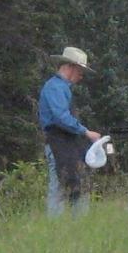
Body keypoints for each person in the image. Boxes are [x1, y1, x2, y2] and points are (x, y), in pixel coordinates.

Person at [39, 46, 102, 217]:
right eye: (80, 71)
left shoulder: (61, 87)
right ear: (70, 67)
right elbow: (61, 117)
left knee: (73, 181)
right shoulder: (55, 87)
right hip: (58, 142)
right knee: (60, 184)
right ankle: (61, 222)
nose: (81, 76)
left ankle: (75, 221)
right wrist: (86, 132)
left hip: (66, 142)